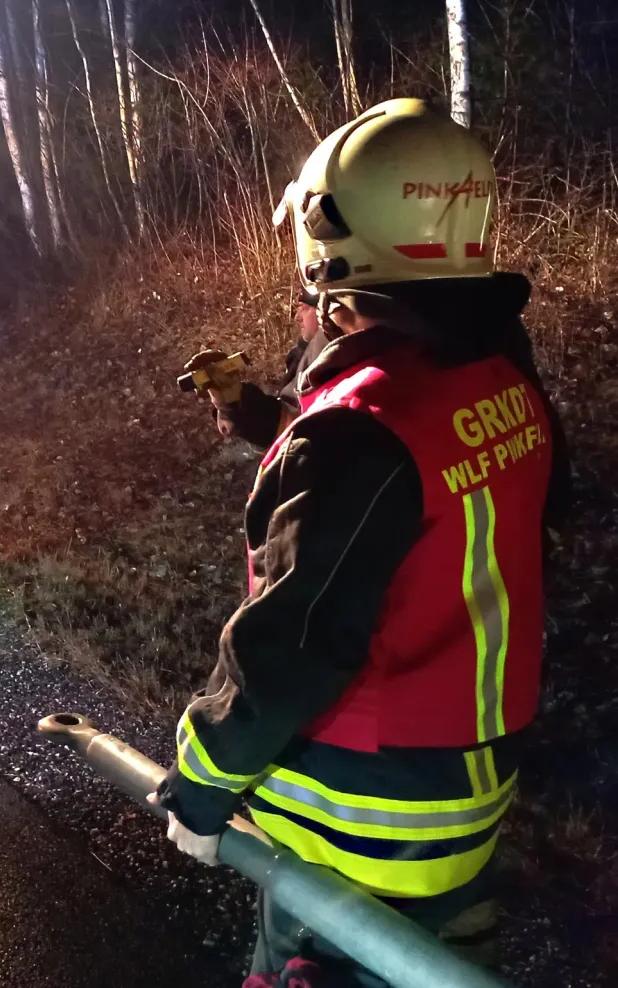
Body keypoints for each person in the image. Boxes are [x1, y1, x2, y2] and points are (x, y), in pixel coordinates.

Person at [148, 98, 571, 987]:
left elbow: (293, 641)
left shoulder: (356, 429)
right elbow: (412, 494)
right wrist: (264, 418)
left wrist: (202, 782)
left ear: (329, 246)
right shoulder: (501, 375)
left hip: (359, 826)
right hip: (466, 807)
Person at [184, 288, 322, 449]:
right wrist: (234, 403)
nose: (297, 317)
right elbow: (288, 423)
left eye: (305, 308)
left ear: (327, 306)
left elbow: (304, 433)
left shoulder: (328, 362)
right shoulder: (302, 356)